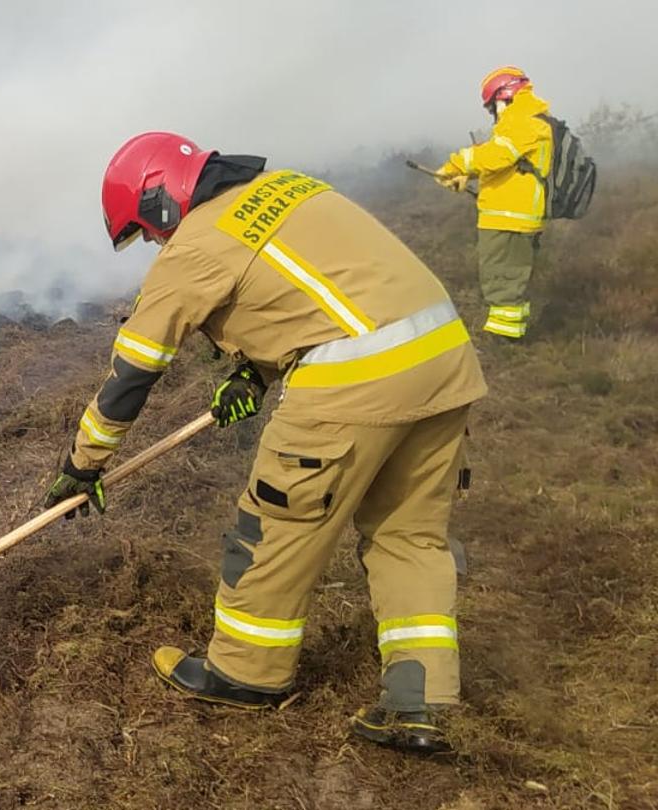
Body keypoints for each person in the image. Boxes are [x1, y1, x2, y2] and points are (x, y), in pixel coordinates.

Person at [44, 132, 486, 754]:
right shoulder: (286, 185)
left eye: (148, 230)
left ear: (162, 201)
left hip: (354, 384)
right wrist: (255, 367)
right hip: (445, 363)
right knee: (407, 537)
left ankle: (245, 673)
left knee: (274, 526)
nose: (154, 243)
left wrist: (82, 464)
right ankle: (418, 702)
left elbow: (133, 371)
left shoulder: (194, 245)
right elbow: (316, 291)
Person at [431, 66, 553, 340]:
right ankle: (513, 336)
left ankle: (504, 341)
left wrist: (455, 164)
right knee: (510, 280)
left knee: (502, 280)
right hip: (512, 215)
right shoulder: (529, 118)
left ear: (504, 96)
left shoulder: (523, 119)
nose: (492, 112)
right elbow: (506, 164)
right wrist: (466, 176)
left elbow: (497, 156)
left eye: (491, 106)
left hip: (510, 218)